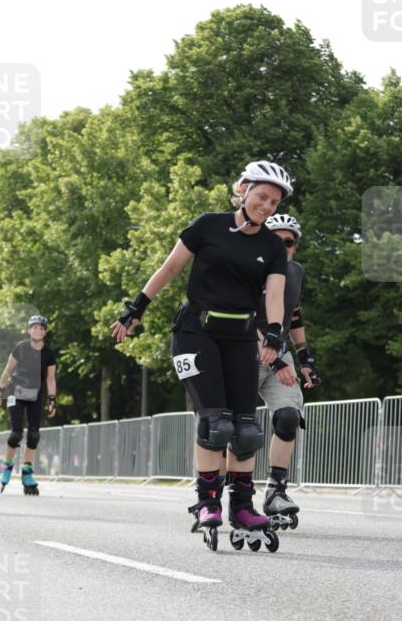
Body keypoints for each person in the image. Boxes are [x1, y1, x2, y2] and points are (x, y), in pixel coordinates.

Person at [111, 160, 292, 552]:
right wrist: (136, 308)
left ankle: (242, 507)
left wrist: (275, 333)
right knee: (215, 423)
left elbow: (275, 295)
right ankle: (207, 501)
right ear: (243, 190)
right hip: (196, 332)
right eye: (261, 196)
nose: (266, 205)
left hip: (240, 337)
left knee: (245, 428)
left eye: (274, 201)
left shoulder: (273, 247)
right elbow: (171, 267)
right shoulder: (208, 226)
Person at [255, 213, 320, 529]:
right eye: (275, 242)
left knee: (289, 417)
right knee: (233, 429)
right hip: (243, 353)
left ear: (296, 246)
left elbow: (294, 314)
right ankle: (217, 491)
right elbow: (245, 319)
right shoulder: (249, 268)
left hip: (279, 355)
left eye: (289, 242)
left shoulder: (296, 272)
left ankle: (275, 492)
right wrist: (275, 361)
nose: (283, 248)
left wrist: (305, 357)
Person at [0, 315, 57, 495]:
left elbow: (50, 378)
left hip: (36, 394)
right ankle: (7, 466)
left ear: (44, 332)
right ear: (29, 330)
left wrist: (53, 400)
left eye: (41, 328)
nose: (37, 331)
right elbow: (8, 369)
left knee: (34, 435)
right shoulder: (20, 348)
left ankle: (27, 472)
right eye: (34, 327)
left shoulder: (49, 353)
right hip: (16, 392)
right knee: (16, 434)